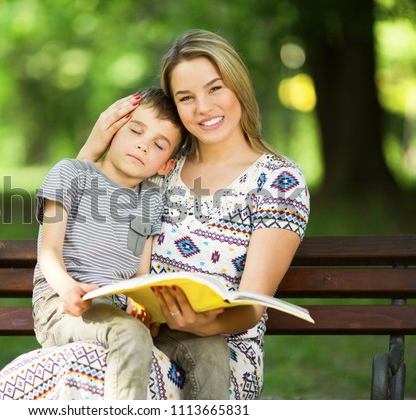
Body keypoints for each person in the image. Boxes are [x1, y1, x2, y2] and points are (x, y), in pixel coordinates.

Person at [78, 29, 310, 399]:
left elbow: (251, 308)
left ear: (238, 86)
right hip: (141, 336)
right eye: (186, 98)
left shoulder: (280, 181)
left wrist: (202, 325)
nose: (203, 108)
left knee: (83, 380)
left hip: (223, 353)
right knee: (66, 369)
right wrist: (91, 150)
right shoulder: (162, 167)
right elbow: (82, 220)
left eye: (215, 88)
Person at [32, 87, 231, 400]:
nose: (142, 144)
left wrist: (146, 305)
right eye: (136, 130)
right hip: (64, 307)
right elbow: (49, 252)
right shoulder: (71, 174)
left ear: (165, 165)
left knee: (210, 346)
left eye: (158, 144)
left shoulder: (151, 199)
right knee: (128, 332)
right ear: (114, 131)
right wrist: (67, 288)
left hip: (121, 310)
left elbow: (140, 274)